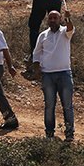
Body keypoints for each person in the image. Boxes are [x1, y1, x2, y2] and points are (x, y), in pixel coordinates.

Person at [32, 9, 76, 140]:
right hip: (48, 75)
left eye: (55, 18)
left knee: (67, 105)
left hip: (64, 73)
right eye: (50, 18)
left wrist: (68, 18)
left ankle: (69, 133)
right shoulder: (43, 35)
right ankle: (49, 133)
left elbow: (70, 29)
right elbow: (36, 53)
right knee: (49, 105)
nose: (52, 20)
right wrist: (37, 69)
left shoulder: (65, 32)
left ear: (60, 19)